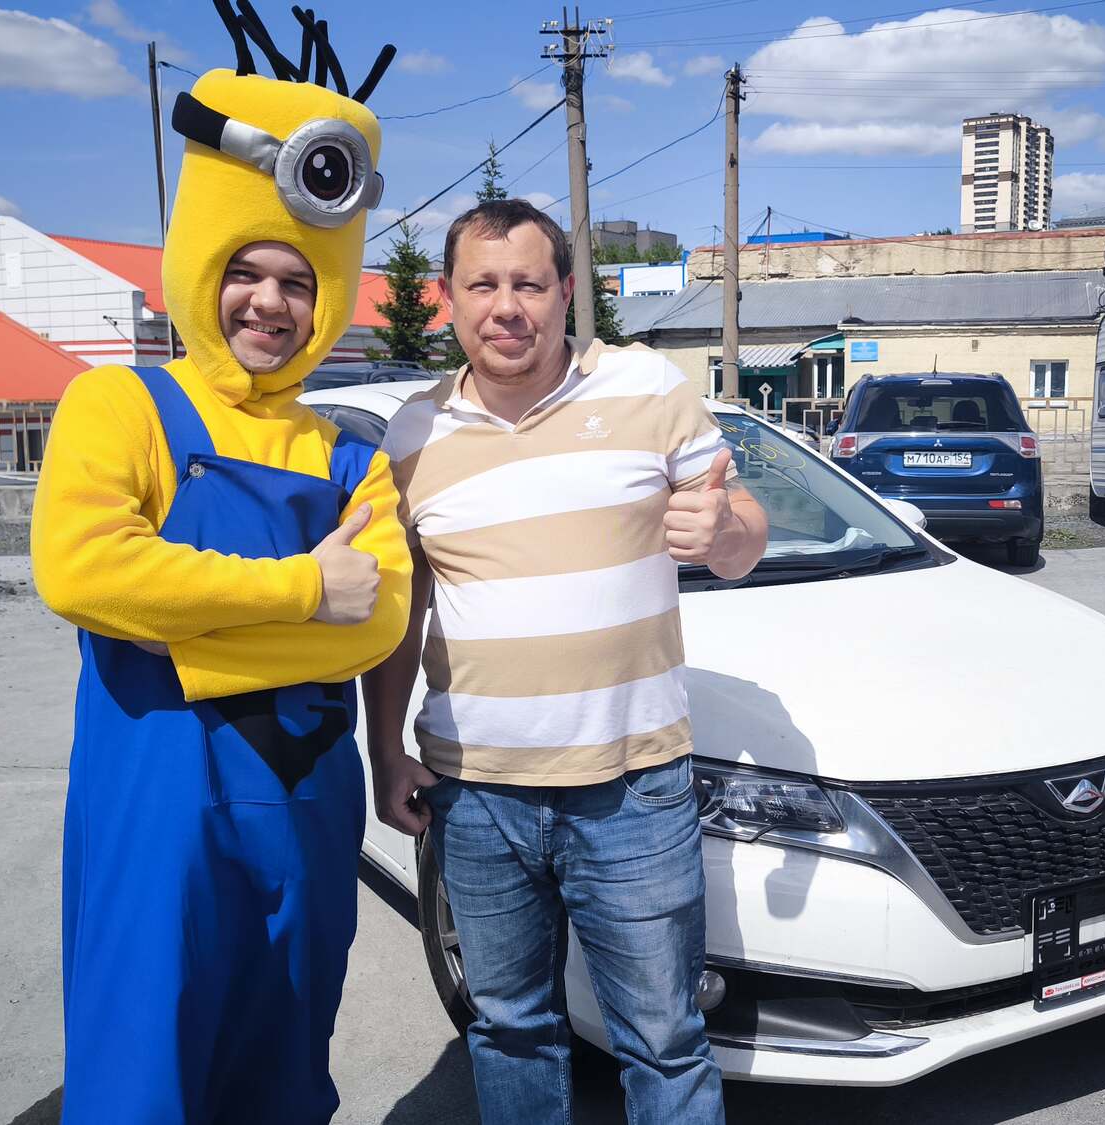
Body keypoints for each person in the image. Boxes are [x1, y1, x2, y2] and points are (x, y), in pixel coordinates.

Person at [29, 44, 411, 1123]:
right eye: (247, 271)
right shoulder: (118, 406)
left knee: (285, 1064)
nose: (269, 303)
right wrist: (302, 592)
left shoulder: (350, 453)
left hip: (308, 809)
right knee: (142, 1070)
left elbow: (377, 617)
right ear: (201, 266)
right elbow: (84, 569)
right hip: (154, 810)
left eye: (298, 281)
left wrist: (175, 629)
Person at [364, 198, 769, 1124]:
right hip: (475, 796)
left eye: (529, 283)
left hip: (632, 790)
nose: (507, 306)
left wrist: (723, 532)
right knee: (510, 1028)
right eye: (483, 284)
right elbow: (401, 608)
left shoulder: (646, 385)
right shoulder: (412, 434)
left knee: (664, 1041)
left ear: (566, 291)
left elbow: (742, 526)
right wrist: (385, 750)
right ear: (448, 298)